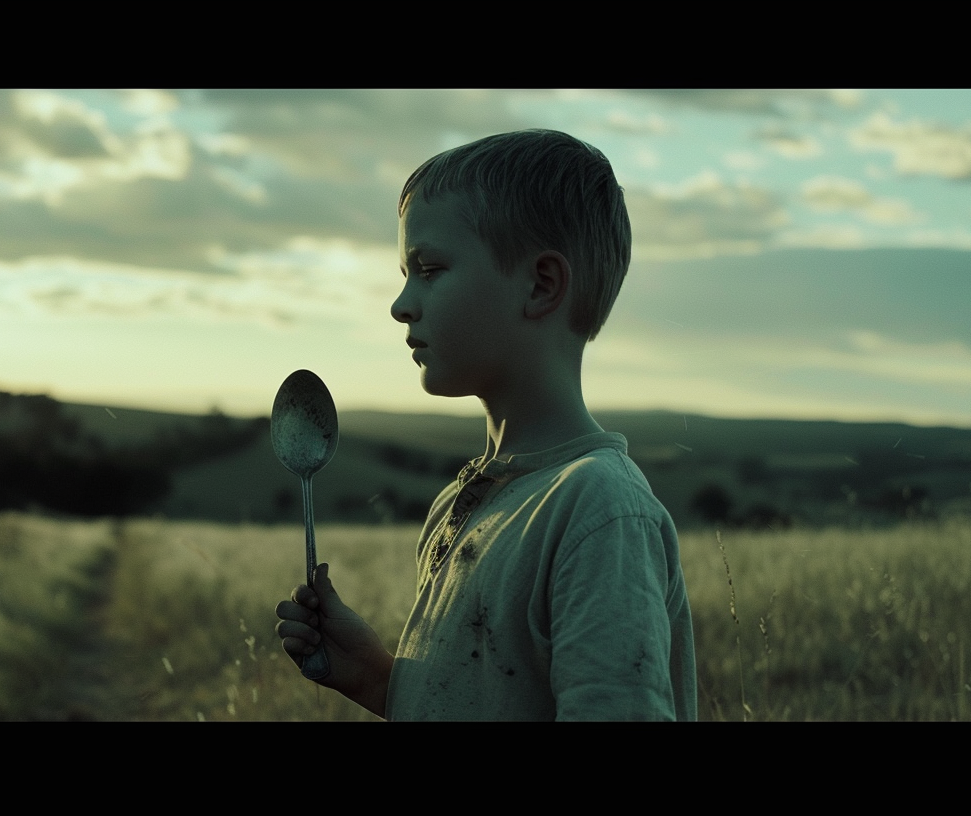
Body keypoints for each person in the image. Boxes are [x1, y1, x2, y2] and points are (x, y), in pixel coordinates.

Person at [274, 129, 697, 720]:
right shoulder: (464, 500)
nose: (401, 303)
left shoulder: (598, 509)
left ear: (540, 285)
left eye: (429, 269)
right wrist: (376, 679)